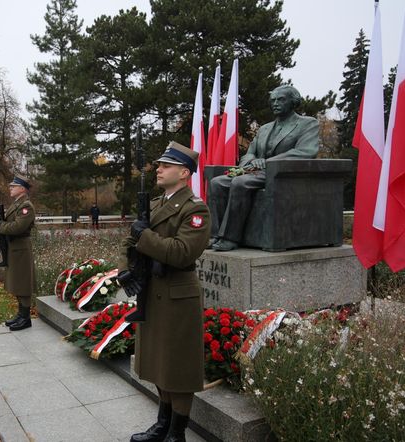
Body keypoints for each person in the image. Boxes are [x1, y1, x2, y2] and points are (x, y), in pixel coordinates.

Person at [117, 141, 210, 442]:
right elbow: (130, 243)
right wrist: (125, 268)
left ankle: (176, 433)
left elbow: (183, 252)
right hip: (152, 293)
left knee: (178, 370)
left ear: (184, 173)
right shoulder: (156, 205)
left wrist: (143, 235)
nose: (158, 169)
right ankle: (161, 425)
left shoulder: (195, 209)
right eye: (159, 164)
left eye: (165, 165)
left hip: (176, 297)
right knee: (159, 364)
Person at [208, 85, 320, 251]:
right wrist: (253, 160)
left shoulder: (307, 124)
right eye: (273, 100)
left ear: (293, 102)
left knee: (240, 183)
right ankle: (214, 235)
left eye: (280, 99)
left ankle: (230, 238)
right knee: (217, 182)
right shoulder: (264, 128)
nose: (275, 103)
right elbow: (249, 153)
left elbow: (306, 152)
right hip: (256, 173)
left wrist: (268, 161)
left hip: (283, 174)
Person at [0, 175, 36, 331]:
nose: (10, 188)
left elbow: (18, 227)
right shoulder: (17, 204)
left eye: (13, 186)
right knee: (17, 281)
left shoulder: (26, 206)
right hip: (15, 248)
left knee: (23, 282)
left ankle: (25, 318)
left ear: (22, 189)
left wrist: (1, 226)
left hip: (21, 248)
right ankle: (21, 315)